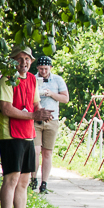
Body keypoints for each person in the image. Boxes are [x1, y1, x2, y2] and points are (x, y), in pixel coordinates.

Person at [0, 47, 51, 208]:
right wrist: (34, 115)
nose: (24, 62)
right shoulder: (6, 80)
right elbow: (6, 109)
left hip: (28, 133)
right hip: (10, 134)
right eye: (20, 59)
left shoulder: (32, 80)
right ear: (12, 61)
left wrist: (42, 112)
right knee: (11, 178)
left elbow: (35, 103)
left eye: (27, 59)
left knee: (24, 180)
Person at [30, 55, 69, 194]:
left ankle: (44, 182)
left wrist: (51, 93)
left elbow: (65, 98)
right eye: (41, 69)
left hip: (52, 120)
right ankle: (33, 178)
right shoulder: (32, 78)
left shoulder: (58, 80)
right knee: (35, 151)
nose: (43, 71)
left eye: (46, 69)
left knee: (48, 152)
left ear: (50, 68)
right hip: (36, 118)